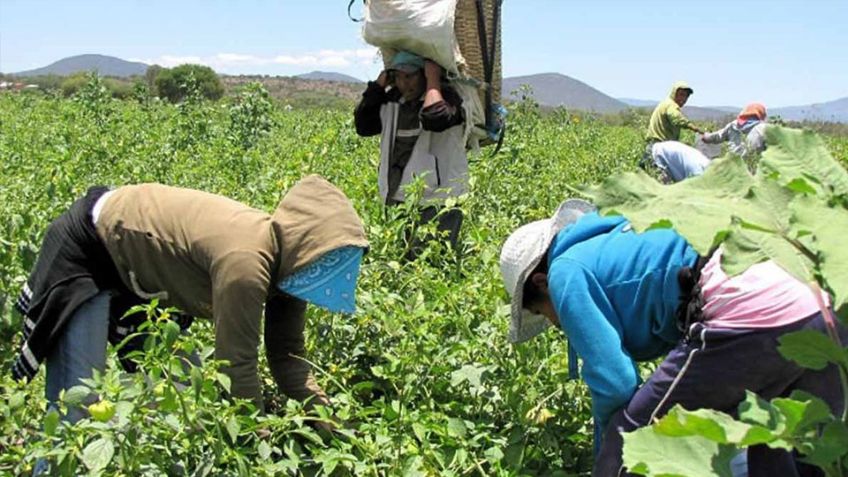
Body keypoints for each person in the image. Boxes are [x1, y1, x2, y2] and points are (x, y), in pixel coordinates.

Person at [499, 200, 847, 476]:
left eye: (546, 314)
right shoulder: (614, 236)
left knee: (635, 440)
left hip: (751, 309)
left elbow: (615, 383)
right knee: (784, 445)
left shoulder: (565, 272)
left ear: (541, 283)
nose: (557, 325)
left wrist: (606, 450)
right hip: (820, 295)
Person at [12, 175, 369, 426]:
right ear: (305, 242)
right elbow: (236, 364)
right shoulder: (246, 262)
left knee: (185, 390)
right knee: (78, 405)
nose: (325, 271)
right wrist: (256, 439)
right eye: (326, 259)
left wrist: (327, 418)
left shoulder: (292, 270)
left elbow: (288, 356)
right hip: (90, 244)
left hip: (137, 272)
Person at [354, 50, 467, 259]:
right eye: (398, 77)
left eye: (410, 76)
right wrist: (378, 86)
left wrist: (433, 81)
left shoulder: (448, 98)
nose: (404, 84)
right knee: (400, 258)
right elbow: (363, 125)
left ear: (424, 74)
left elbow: (436, 118)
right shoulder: (392, 100)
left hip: (438, 200)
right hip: (397, 196)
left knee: (434, 262)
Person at [643, 81, 705, 174]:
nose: (683, 99)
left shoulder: (666, 103)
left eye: (686, 96)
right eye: (681, 95)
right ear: (674, 93)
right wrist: (693, 127)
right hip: (659, 147)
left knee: (645, 174)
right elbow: (676, 118)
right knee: (660, 178)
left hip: (655, 146)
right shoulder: (671, 105)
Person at [702, 102, 768, 157]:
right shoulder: (764, 128)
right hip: (754, 168)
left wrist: (706, 136)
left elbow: (717, 136)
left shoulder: (734, 125)